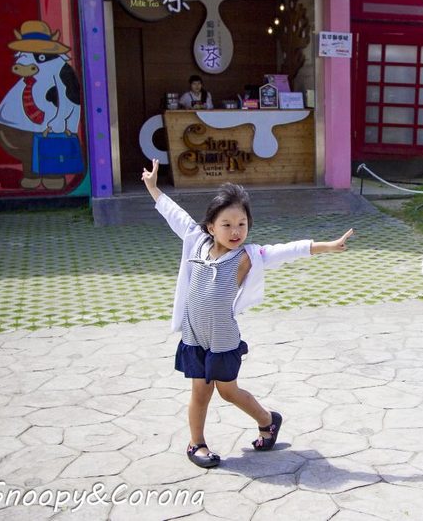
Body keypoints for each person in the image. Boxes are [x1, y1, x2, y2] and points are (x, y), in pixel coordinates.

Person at [141, 159, 353, 468]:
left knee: (228, 392)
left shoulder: (249, 257)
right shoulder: (196, 241)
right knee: (199, 391)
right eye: (226, 225)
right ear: (211, 227)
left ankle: (267, 420)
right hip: (194, 335)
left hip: (223, 338)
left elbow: (289, 249)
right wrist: (153, 187)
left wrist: (329, 247)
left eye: (242, 224)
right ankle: (196, 443)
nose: (235, 231)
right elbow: (175, 214)